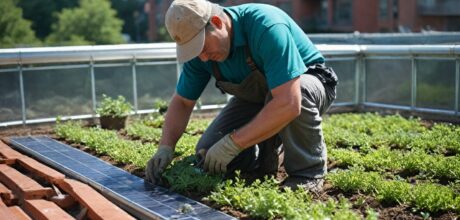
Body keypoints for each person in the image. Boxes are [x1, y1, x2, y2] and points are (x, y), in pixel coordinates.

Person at [145, 0, 337, 192]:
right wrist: (166, 147)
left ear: (217, 22)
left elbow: (289, 102)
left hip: (308, 86)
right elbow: (183, 102)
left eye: (202, 47)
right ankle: (263, 156)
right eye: (194, 50)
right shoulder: (200, 55)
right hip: (257, 98)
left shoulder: (265, 26)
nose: (202, 57)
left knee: (297, 93)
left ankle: (308, 172)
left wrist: (233, 143)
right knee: (208, 152)